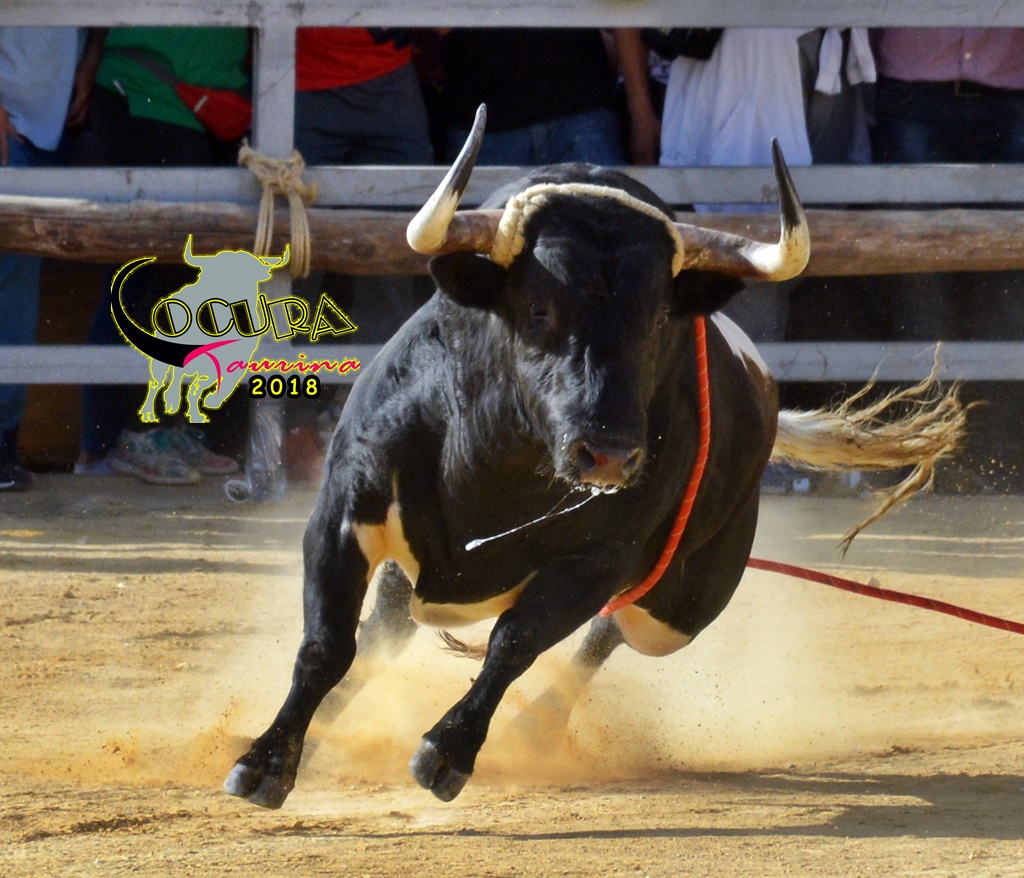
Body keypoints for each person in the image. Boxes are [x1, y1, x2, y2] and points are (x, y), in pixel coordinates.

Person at [74, 27, 250, 485]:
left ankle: (162, 426)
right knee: (149, 272)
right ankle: (119, 438)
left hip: (211, 99)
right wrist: (91, 58)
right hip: (145, 88)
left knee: (187, 276)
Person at [871, 28, 1024, 492]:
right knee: (918, 281)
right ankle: (919, 457)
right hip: (913, 93)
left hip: (1010, 94)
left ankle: (1000, 459)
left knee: (1007, 284)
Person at [0, 26, 105, 491]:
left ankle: (5, 444)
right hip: (15, 124)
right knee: (12, 280)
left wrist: (90, 59)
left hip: (49, 126)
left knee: (17, 283)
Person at [437, 28, 628, 166]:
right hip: (485, 125)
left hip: (582, 112)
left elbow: (620, 15)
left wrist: (639, 114)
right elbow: (442, 23)